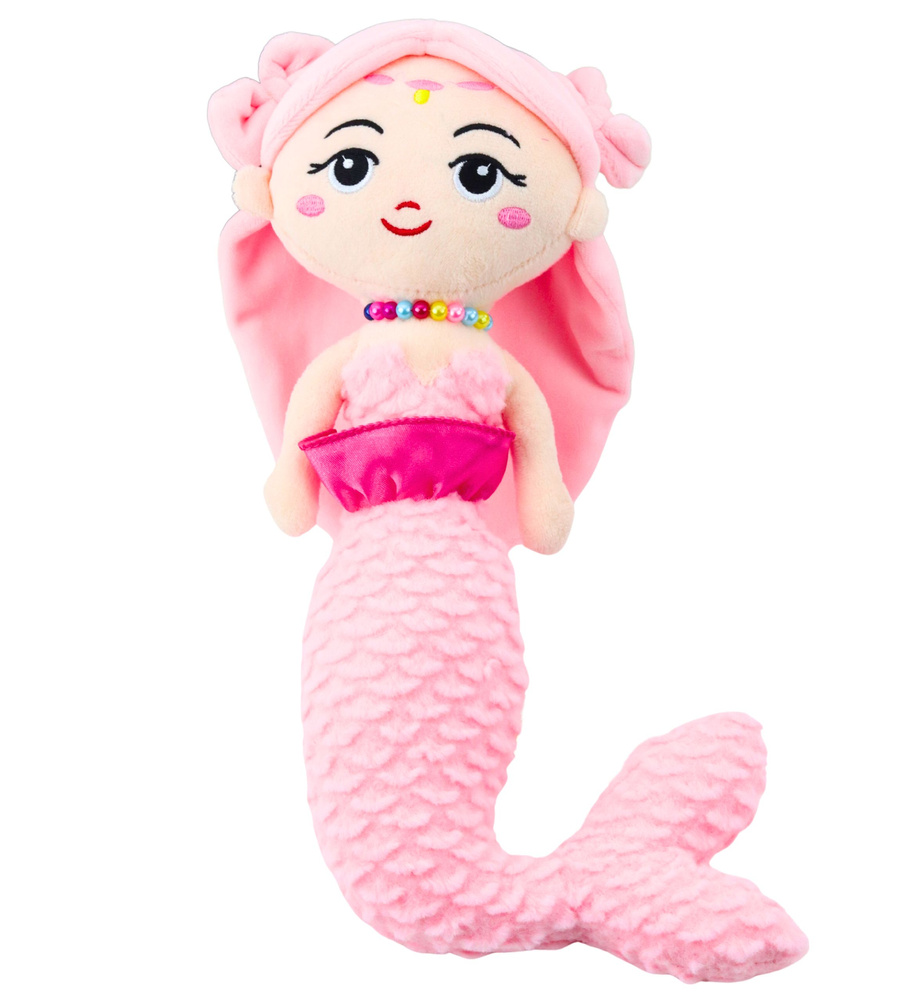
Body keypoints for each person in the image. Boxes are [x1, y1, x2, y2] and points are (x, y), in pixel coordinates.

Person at [209, 19, 806, 982]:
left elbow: (534, 442)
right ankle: (608, 874)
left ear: (572, 210)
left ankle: (606, 876)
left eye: (479, 173)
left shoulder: (488, 366)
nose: (408, 200)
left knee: (452, 697)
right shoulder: (354, 357)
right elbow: (304, 429)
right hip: (373, 580)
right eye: (354, 165)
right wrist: (288, 478)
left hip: (461, 573)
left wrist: (544, 496)